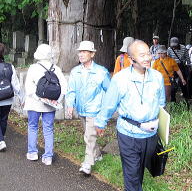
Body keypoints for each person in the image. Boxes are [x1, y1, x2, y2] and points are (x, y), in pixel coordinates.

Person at [95, 40, 165, 191]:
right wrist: (101, 123)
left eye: (148, 53)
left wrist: (161, 126)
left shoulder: (157, 77)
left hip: (150, 136)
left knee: (139, 171)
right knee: (132, 174)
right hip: (129, 134)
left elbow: (161, 103)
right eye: (142, 55)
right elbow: (109, 103)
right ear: (131, 58)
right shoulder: (120, 79)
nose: (147, 58)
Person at [65, 41, 110, 175]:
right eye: (80, 52)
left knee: (89, 136)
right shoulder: (75, 71)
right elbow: (71, 90)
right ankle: (97, 154)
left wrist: (105, 110)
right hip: (81, 109)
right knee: (88, 134)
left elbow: (110, 91)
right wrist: (70, 104)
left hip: (95, 109)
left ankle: (87, 164)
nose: (81, 54)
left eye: (85, 52)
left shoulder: (101, 72)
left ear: (92, 54)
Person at [24, 44, 67, 165]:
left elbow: (28, 87)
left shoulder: (33, 68)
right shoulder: (56, 68)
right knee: (48, 129)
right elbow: (64, 86)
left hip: (34, 104)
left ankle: (32, 153)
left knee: (33, 126)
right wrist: (57, 100)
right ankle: (48, 156)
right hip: (50, 105)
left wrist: (38, 97)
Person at [0, 43, 23, 152]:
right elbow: (16, 84)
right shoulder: (10, 66)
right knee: (4, 119)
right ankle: (1, 137)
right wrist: (20, 97)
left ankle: (1, 141)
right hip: (7, 98)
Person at [167, 37, 190, 101]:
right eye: (173, 45)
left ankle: (186, 98)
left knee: (182, 82)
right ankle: (173, 100)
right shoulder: (169, 49)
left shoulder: (183, 48)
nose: (174, 47)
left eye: (175, 45)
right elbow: (168, 59)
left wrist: (189, 65)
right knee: (173, 83)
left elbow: (187, 57)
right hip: (173, 66)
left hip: (181, 66)